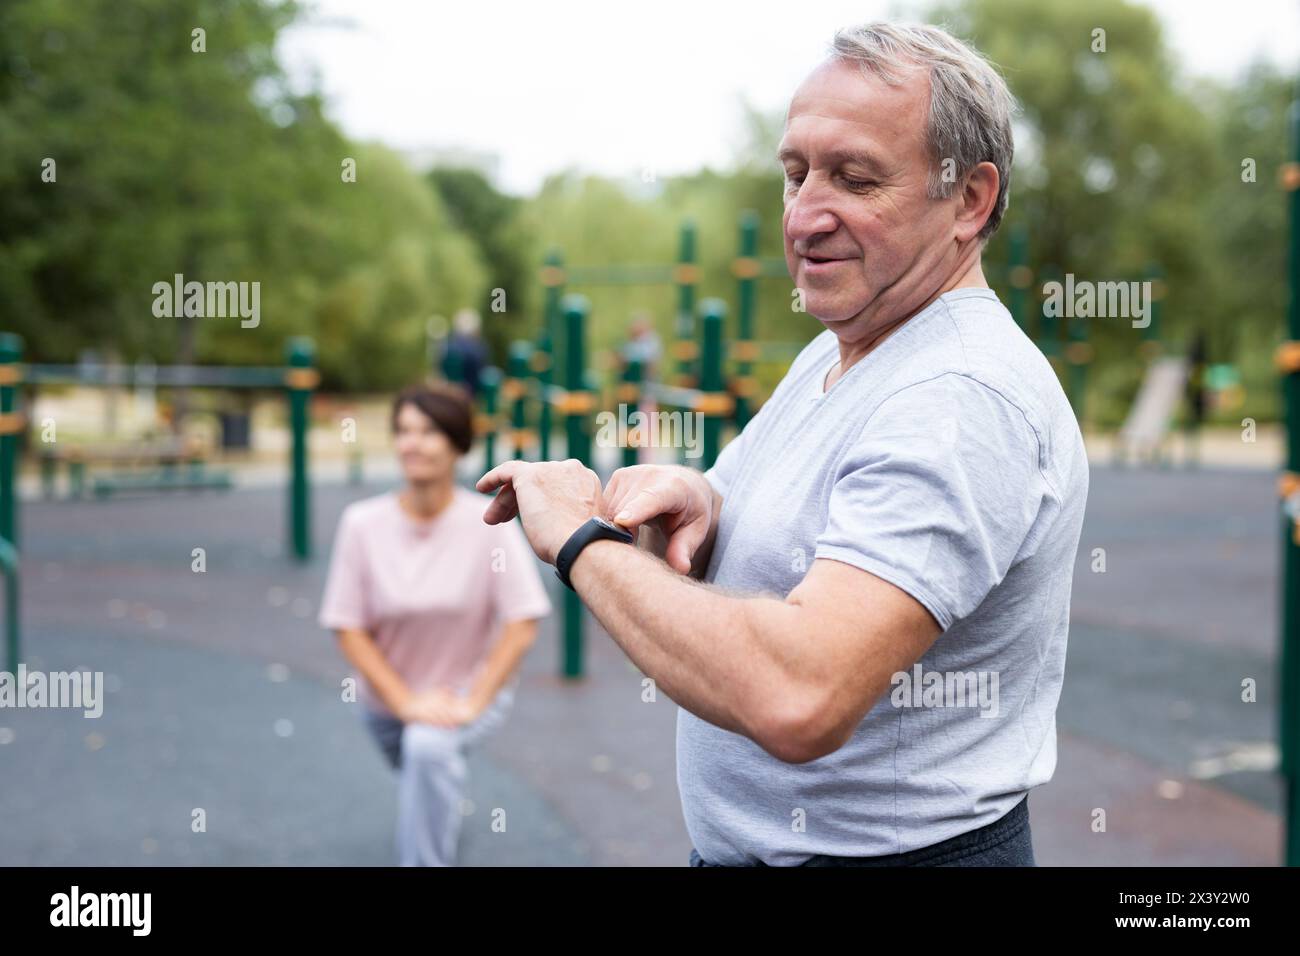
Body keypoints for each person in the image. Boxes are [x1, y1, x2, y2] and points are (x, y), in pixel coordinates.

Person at [475, 21, 1089, 866]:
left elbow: (802, 693)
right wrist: (703, 500)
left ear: (970, 199)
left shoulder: (959, 397)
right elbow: (788, 515)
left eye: (855, 178)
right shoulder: (843, 345)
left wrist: (580, 541)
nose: (804, 216)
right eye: (795, 175)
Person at [318, 382, 552, 866]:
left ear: (457, 443)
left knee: (428, 749)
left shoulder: (488, 524)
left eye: (427, 432)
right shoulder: (362, 524)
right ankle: (438, 806)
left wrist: (470, 704)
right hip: (385, 703)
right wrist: (404, 702)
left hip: (463, 697)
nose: (412, 444)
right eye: (403, 431)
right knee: (425, 775)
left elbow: (523, 620)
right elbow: (347, 626)